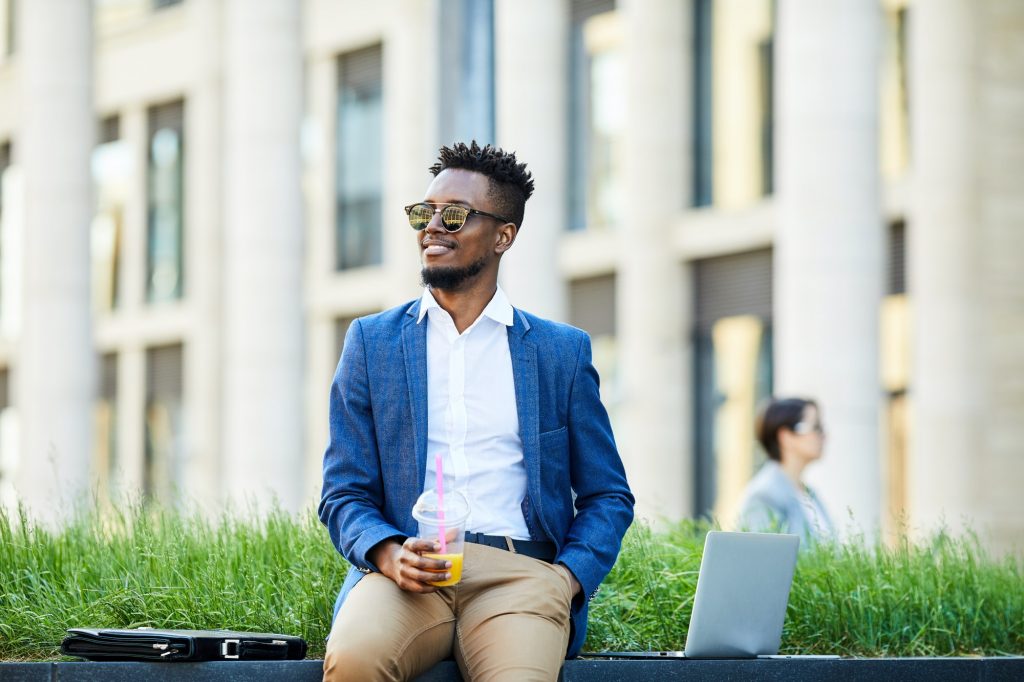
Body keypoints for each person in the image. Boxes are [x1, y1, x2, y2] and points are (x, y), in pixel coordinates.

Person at [318, 141, 635, 682]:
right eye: (425, 213)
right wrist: (388, 552)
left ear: (503, 235)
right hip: (406, 577)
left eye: (455, 215)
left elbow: (608, 494)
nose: (432, 227)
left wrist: (567, 578)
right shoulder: (372, 343)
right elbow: (343, 491)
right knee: (354, 662)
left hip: (521, 575)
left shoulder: (561, 352)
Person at [737, 397, 834, 543]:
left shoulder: (809, 493)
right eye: (815, 427)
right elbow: (762, 558)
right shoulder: (764, 496)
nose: (823, 435)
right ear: (786, 436)